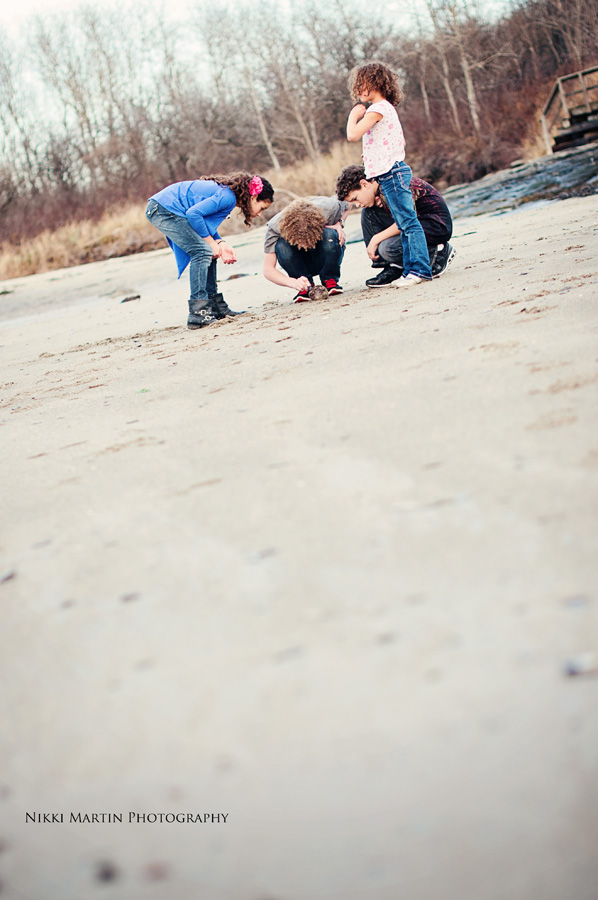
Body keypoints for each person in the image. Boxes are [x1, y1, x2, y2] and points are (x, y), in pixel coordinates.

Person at [146, 173, 274, 328]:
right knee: (202, 251)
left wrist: (220, 242)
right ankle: (198, 312)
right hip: (162, 209)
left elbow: (204, 222)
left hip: (167, 208)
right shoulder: (228, 198)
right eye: (262, 208)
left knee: (209, 249)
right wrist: (212, 243)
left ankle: (214, 306)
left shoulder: (228, 197)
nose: (260, 213)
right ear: (253, 198)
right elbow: (193, 214)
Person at [346, 61, 433, 287]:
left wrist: (353, 116)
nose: (357, 91)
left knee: (408, 222)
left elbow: (353, 135)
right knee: (405, 223)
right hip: (391, 171)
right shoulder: (387, 109)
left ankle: (420, 270)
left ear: (373, 84)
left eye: (360, 85)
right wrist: (374, 155)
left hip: (391, 173)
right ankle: (412, 270)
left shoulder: (377, 109)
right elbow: (399, 141)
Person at [335, 164, 456, 286]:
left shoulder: (393, 185)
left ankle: (438, 252)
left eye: (355, 198)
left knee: (388, 248)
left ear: (365, 184)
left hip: (436, 226)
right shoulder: (380, 188)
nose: (357, 204)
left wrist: (376, 239)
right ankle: (394, 267)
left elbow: (407, 221)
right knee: (368, 212)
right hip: (416, 223)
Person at [263, 197, 350, 301]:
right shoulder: (274, 228)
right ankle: (305, 286)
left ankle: (330, 279)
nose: (305, 246)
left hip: (324, 255)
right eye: (301, 242)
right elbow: (268, 270)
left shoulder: (329, 207)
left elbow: (348, 202)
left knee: (329, 233)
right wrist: (293, 283)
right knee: (281, 245)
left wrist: (339, 223)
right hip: (300, 262)